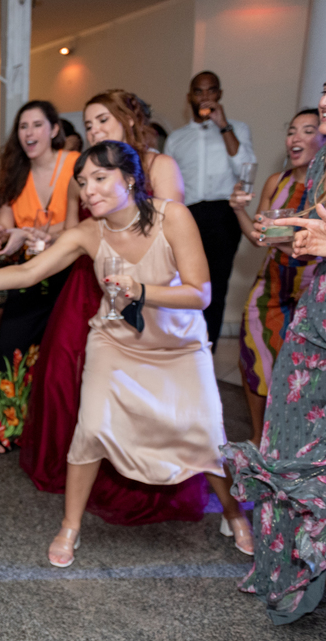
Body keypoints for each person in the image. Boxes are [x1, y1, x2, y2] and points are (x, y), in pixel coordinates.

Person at [0, 140, 251, 567]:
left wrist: (142, 290)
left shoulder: (173, 216)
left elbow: (200, 294)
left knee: (206, 431)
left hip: (178, 347)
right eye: (82, 182)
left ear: (130, 179)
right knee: (92, 428)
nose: (88, 190)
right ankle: (70, 526)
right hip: (114, 342)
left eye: (100, 178)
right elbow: (29, 271)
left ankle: (234, 513)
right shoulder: (87, 232)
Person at [225, 48, 326, 641]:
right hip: (313, 328)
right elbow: (324, 239)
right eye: (325, 88)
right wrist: (296, 237)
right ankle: (307, 565)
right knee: (292, 452)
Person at [18, 89, 206, 528]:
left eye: (102, 119)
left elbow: (169, 237)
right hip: (88, 282)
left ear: (129, 118)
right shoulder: (82, 174)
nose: (94, 130)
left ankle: (139, 478)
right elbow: (74, 231)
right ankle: (81, 470)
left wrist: (142, 290)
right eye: (88, 124)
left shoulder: (159, 166)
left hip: (147, 290)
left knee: (148, 393)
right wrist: (45, 242)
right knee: (66, 375)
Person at [0, 100, 79, 452]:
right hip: (27, 273)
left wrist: (41, 233)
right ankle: (6, 426)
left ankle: (53, 431)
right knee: (10, 345)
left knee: (59, 351)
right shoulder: (14, 173)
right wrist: (0, 236)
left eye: (37, 125)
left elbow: (88, 217)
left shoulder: (75, 164)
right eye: (23, 126)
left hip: (69, 270)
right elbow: (6, 225)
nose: (29, 133)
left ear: (54, 129)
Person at [229, 109, 324, 445]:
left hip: (313, 289)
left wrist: (275, 236)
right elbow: (259, 237)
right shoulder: (276, 182)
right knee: (254, 357)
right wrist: (239, 209)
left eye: (308, 130)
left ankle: (294, 441)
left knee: (302, 370)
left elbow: (317, 248)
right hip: (270, 285)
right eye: (292, 131)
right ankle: (259, 438)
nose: (295, 138)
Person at [167, 71, 257, 349]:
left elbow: (246, 168)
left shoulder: (237, 129)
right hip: (186, 216)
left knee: (215, 286)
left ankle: (207, 349)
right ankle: (180, 347)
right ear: (190, 97)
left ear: (219, 94)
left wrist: (223, 126)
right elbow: (169, 183)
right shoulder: (176, 139)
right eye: (199, 91)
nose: (205, 96)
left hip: (223, 215)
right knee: (180, 283)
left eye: (211, 90)